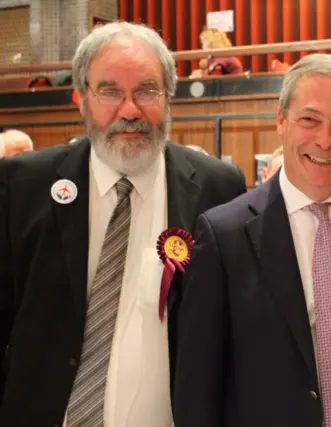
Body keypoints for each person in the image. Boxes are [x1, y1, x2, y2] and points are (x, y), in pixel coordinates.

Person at [0, 22, 247, 427]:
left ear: (168, 97)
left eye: (147, 90)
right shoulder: (22, 186)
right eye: (111, 91)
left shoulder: (218, 187)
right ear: (82, 98)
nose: (130, 110)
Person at [173, 53, 331, 427]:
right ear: (281, 121)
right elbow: (197, 387)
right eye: (310, 119)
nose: (325, 139)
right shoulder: (225, 235)